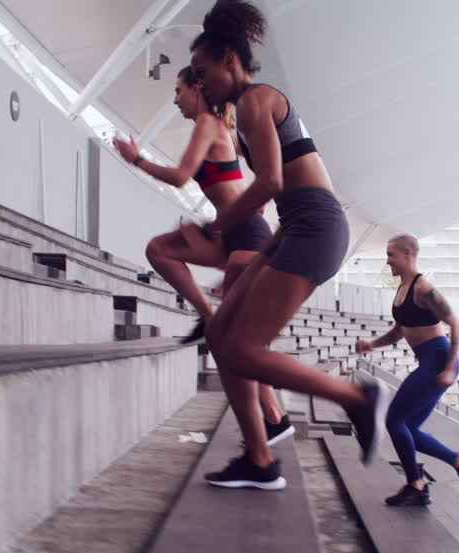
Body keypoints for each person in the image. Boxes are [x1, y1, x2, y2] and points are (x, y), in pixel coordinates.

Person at [181, 0, 387, 490]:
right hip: (293, 228)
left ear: (231, 60)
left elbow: (271, 181)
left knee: (245, 349)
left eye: (203, 72)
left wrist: (217, 226)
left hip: (315, 226)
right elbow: (280, 187)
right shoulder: (239, 112)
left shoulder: (257, 99)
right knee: (220, 336)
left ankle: (357, 398)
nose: (200, 82)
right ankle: (259, 459)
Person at [114, 67, 293, 447]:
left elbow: (181, 177)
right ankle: (208, 317)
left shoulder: (208, 124)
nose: (175, 99)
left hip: (245, 234)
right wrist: (215, 225)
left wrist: (136, 159)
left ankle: (275, 418)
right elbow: (236, 189)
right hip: (232, 232)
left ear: (197, 88)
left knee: (237, 343)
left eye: (178, 90)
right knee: (158, 250)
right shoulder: (218, 128)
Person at [355, 234, 459, 506]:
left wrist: (449, 368)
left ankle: (417, 484)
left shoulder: (423, 288)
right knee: (409, 428)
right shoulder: (402, 289)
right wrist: (372, 344)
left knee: (393, 421)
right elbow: (401, 330)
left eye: (391, 254)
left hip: (438, 360)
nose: (387, 260)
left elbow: (455, 324)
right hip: (427, 361)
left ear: (408, 253)